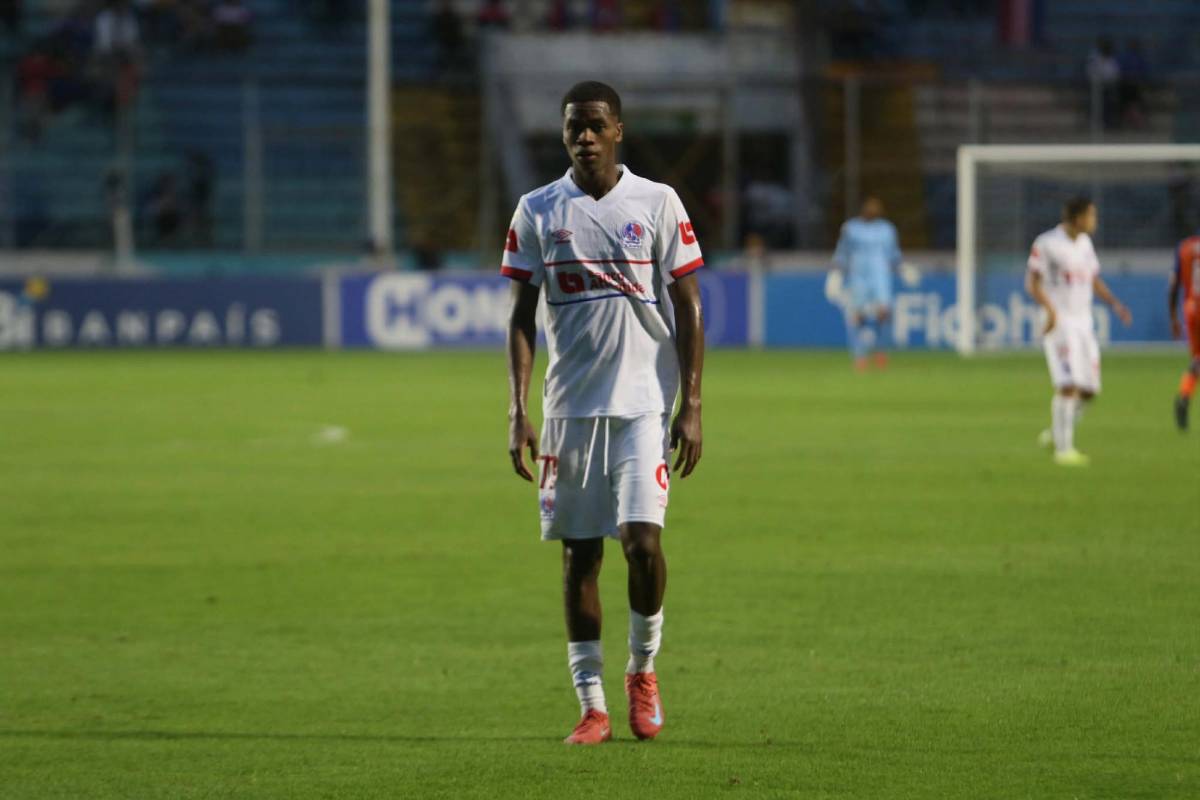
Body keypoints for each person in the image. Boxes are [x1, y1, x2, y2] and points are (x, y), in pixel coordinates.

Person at [503, 81, 705, 745]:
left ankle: (642, 670)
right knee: (579, 557)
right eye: (574, 127)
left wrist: (692, 403)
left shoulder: (657, 201)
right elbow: (521, 316)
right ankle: (592, 705)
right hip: (568, 411)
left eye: (595, 125)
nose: (584, 137)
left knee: (643, 544)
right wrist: (517, 409)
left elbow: (688, 304)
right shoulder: (537, 209)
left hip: (644, 406)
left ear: (618, 129)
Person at [1026, 197, 1132, 466]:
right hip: (1060, 323)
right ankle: (1064, 451)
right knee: (1067, 385)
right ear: (1078, 218)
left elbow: (1092, 278)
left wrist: (1115, 304)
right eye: (1091, 216)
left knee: (1089, 390)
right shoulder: (1047, 243)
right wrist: (1050, 311)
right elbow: (1032, 283)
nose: (1095, 221)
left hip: (1084, 323)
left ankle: (1057, 433)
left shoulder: (1085, 244)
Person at [832, 195, 901, 370]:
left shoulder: (887, 229)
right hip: (858, 275)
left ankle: (881, 351)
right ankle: (859, 355)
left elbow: (893, 253)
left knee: (884, 312)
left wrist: (902, 268)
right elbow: (842, 251)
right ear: (863, 210)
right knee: (857, 315)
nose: (873, 211)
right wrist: (837, 271)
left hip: (880, 275)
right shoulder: (851, 228)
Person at [1168, 233, 1200, 431]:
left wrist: (1173, 317)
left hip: (1191, 309)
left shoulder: (1185, 247)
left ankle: (1184, 396)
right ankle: (1184, 397)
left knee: (1197, 358)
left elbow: (1173, 285)